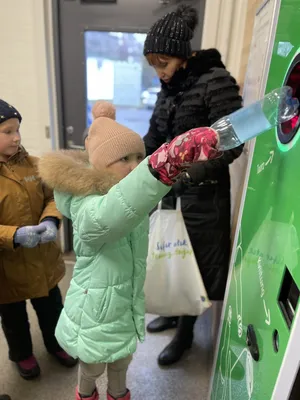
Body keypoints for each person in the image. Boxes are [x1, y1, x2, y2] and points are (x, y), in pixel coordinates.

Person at [38, 101, 221, 400]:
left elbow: (129, 201)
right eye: (125, 158)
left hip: (124, 300)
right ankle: (85, 395)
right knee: (93, 365)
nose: (135, 165)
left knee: (122, 360)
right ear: (98, 164)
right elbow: (111, 214)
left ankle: (119, 394)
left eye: (140, 156)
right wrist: (159, 168)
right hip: (97, 307)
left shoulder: (125, 195)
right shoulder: (88, 205)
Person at [143, 4, 244, 366]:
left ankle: (185, 334)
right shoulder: (169, 86)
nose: (159, 74)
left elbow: (233, 142)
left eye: (163, 64)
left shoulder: (215, 81)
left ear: (183, 57)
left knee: (195, 260)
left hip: (204, 192)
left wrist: (189, 174)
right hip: (171, 189)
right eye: (153, 65)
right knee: (169, 250)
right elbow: (156, 134)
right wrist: (138, 163)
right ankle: (171, 311)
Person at [0, 99, 77, 380]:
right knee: (13, 317)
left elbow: (53, 196)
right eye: (7, 131)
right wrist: (14, 235)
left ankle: (57, 344)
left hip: (42, 261)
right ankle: (22, 354)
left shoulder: (35, 165)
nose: (16, 137)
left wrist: (49, 220)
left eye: (17, 129)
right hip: (7, 268)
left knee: (52, 308)